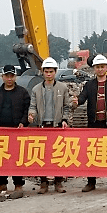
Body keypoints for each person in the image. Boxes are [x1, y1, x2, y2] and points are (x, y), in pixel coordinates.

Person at [71, 54, 107, 192]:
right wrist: (77, 101)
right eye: (97, 67)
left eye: (102, 67)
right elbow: (82, 97)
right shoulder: (90, 85)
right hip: (94, 124)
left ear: (106, 68)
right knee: (91, 152)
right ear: (94, 68)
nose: (100, 69)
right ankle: (91, 182)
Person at [0, 64, 30, 192]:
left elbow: (27, 110)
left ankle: (18, 184)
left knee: (16, 158)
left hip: (16, 131)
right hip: (0, 131)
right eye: (7, 76)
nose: (9, 78)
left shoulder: (22, 92)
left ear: (15, 77)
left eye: (12, 76)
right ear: (2, 77)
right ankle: (1, 183)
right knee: (0, 157)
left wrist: (23, 122)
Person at [28, 57, 73, 194]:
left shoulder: (62, 88)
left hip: (57, 126)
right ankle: (44, 182)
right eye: (46, 71)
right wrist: (32, 114)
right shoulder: (36, 89)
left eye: (51, 71)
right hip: (42, 126)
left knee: (58, 154)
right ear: (42, 72)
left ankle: (58, 182)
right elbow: (33, 106)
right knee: (42, 155)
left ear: (55, 72)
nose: (48, 74)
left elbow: (66, 106)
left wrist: (65, 119)